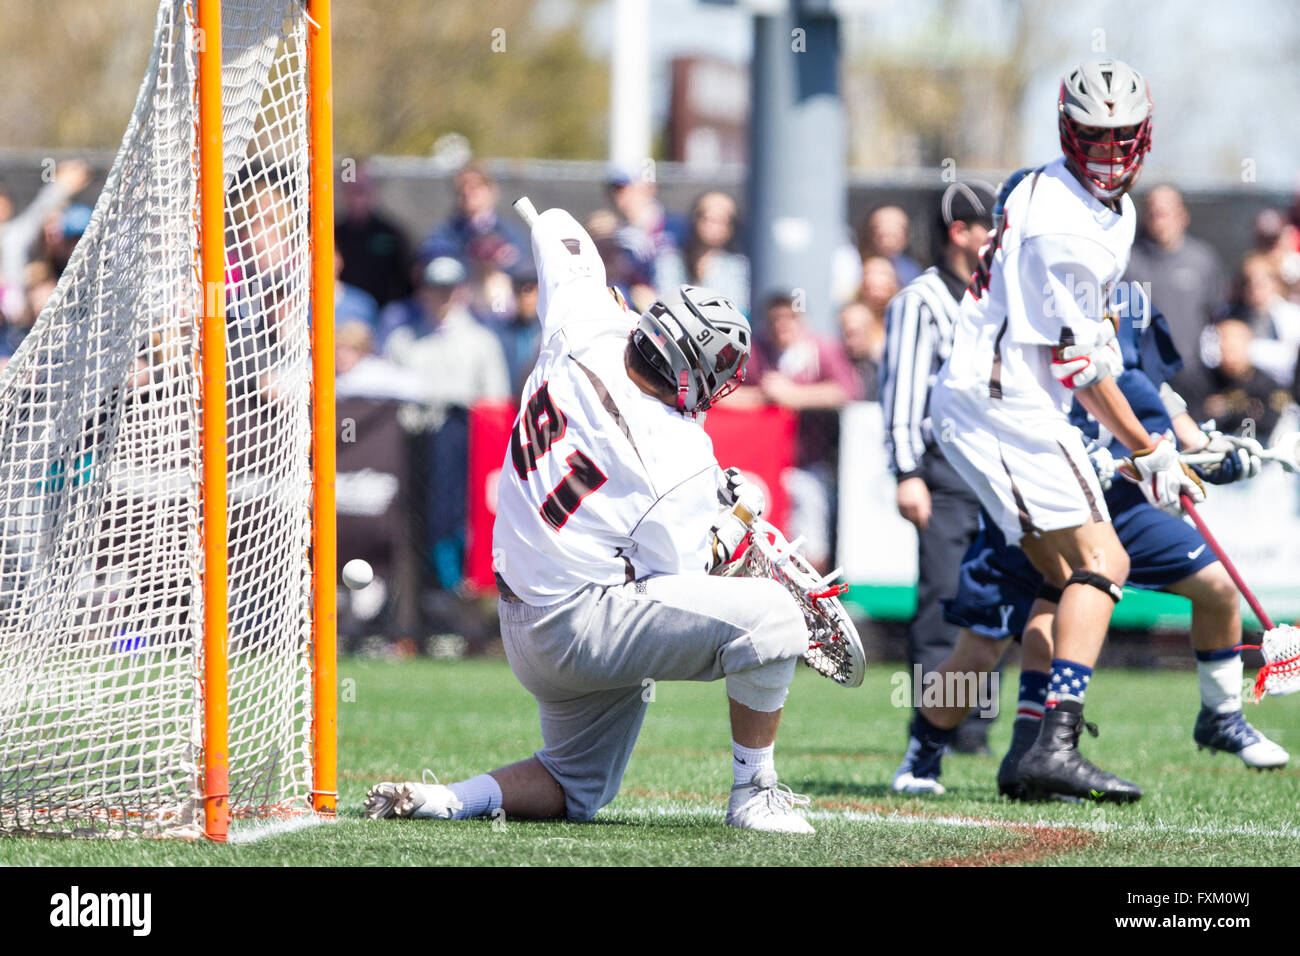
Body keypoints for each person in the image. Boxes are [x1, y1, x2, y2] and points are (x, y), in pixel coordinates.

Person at [364, 206, 815, 833]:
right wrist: (735, 527)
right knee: (774, 617)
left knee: (578, 789)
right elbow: (681, 573)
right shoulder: (677, 458)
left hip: (521, 610)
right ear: (689, 374)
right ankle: (755, 794)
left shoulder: (587, 321)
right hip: (577, 626)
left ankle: (448, 800)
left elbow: (557, 231)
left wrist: (551, 226)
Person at [921, 58, 1206, 803]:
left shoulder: (1099, 205)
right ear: (1067, 132)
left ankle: (1026, 751)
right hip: (999, 399)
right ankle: (1056, 743)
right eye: (1095, 136)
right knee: (1104, 559)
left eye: (1122, 136)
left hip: (1010, 396)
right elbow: (1076, 364)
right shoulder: (1058, 220)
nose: (1110, 151)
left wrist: (1150, 431)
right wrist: (1150, 451)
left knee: (1062, 578)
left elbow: (1090, 336)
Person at [893, 284, 1287, 798]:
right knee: (982, 649)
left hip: (1116, 505)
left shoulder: (1128, 308)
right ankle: (926, 755)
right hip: (1036, 496)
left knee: (1216, 586)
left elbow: (1156, 400)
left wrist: (1210, 451)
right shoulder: (1028, 321)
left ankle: (1221, 714)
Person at [880, 181, 995, 756]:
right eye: (988, 225)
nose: (998, 236)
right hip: (944, 468)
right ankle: (934, 731)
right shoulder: (918, 301)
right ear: (960, 234)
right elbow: (901, 392)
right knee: (944, 600)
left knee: (993, 597)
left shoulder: (995, 296)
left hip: (997, 469)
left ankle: (975, 725)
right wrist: (908, 471)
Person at [736, 293, 862, 573]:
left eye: (789, 318)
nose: (782, 325)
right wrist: (766, 397)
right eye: (775, 319)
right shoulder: (759, 352)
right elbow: (730, 393)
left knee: (812, 533)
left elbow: (846, 391)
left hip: (812, 461)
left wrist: (793, 396)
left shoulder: (821, 350)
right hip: (770, 464)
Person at [1124, 184, 1227, 415]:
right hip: (1143, 377)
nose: (1159, 220)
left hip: (1193, 377)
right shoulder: (1128, 262)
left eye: (1165, 212)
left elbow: (1219, 320)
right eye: (1152, 212)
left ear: (1182, 215)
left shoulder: (1203, 261)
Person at [334, 163, 413, 308]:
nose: (357, 196)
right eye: (352, 189)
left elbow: (406, 281)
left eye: (362, 189)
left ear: (373, 190)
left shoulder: (391, 234)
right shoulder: (333, 235)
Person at [858, 205, 922, 286]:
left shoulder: (911, 269)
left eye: (895, 235)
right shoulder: (853, 264)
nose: (889, 240)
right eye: (883, 235)